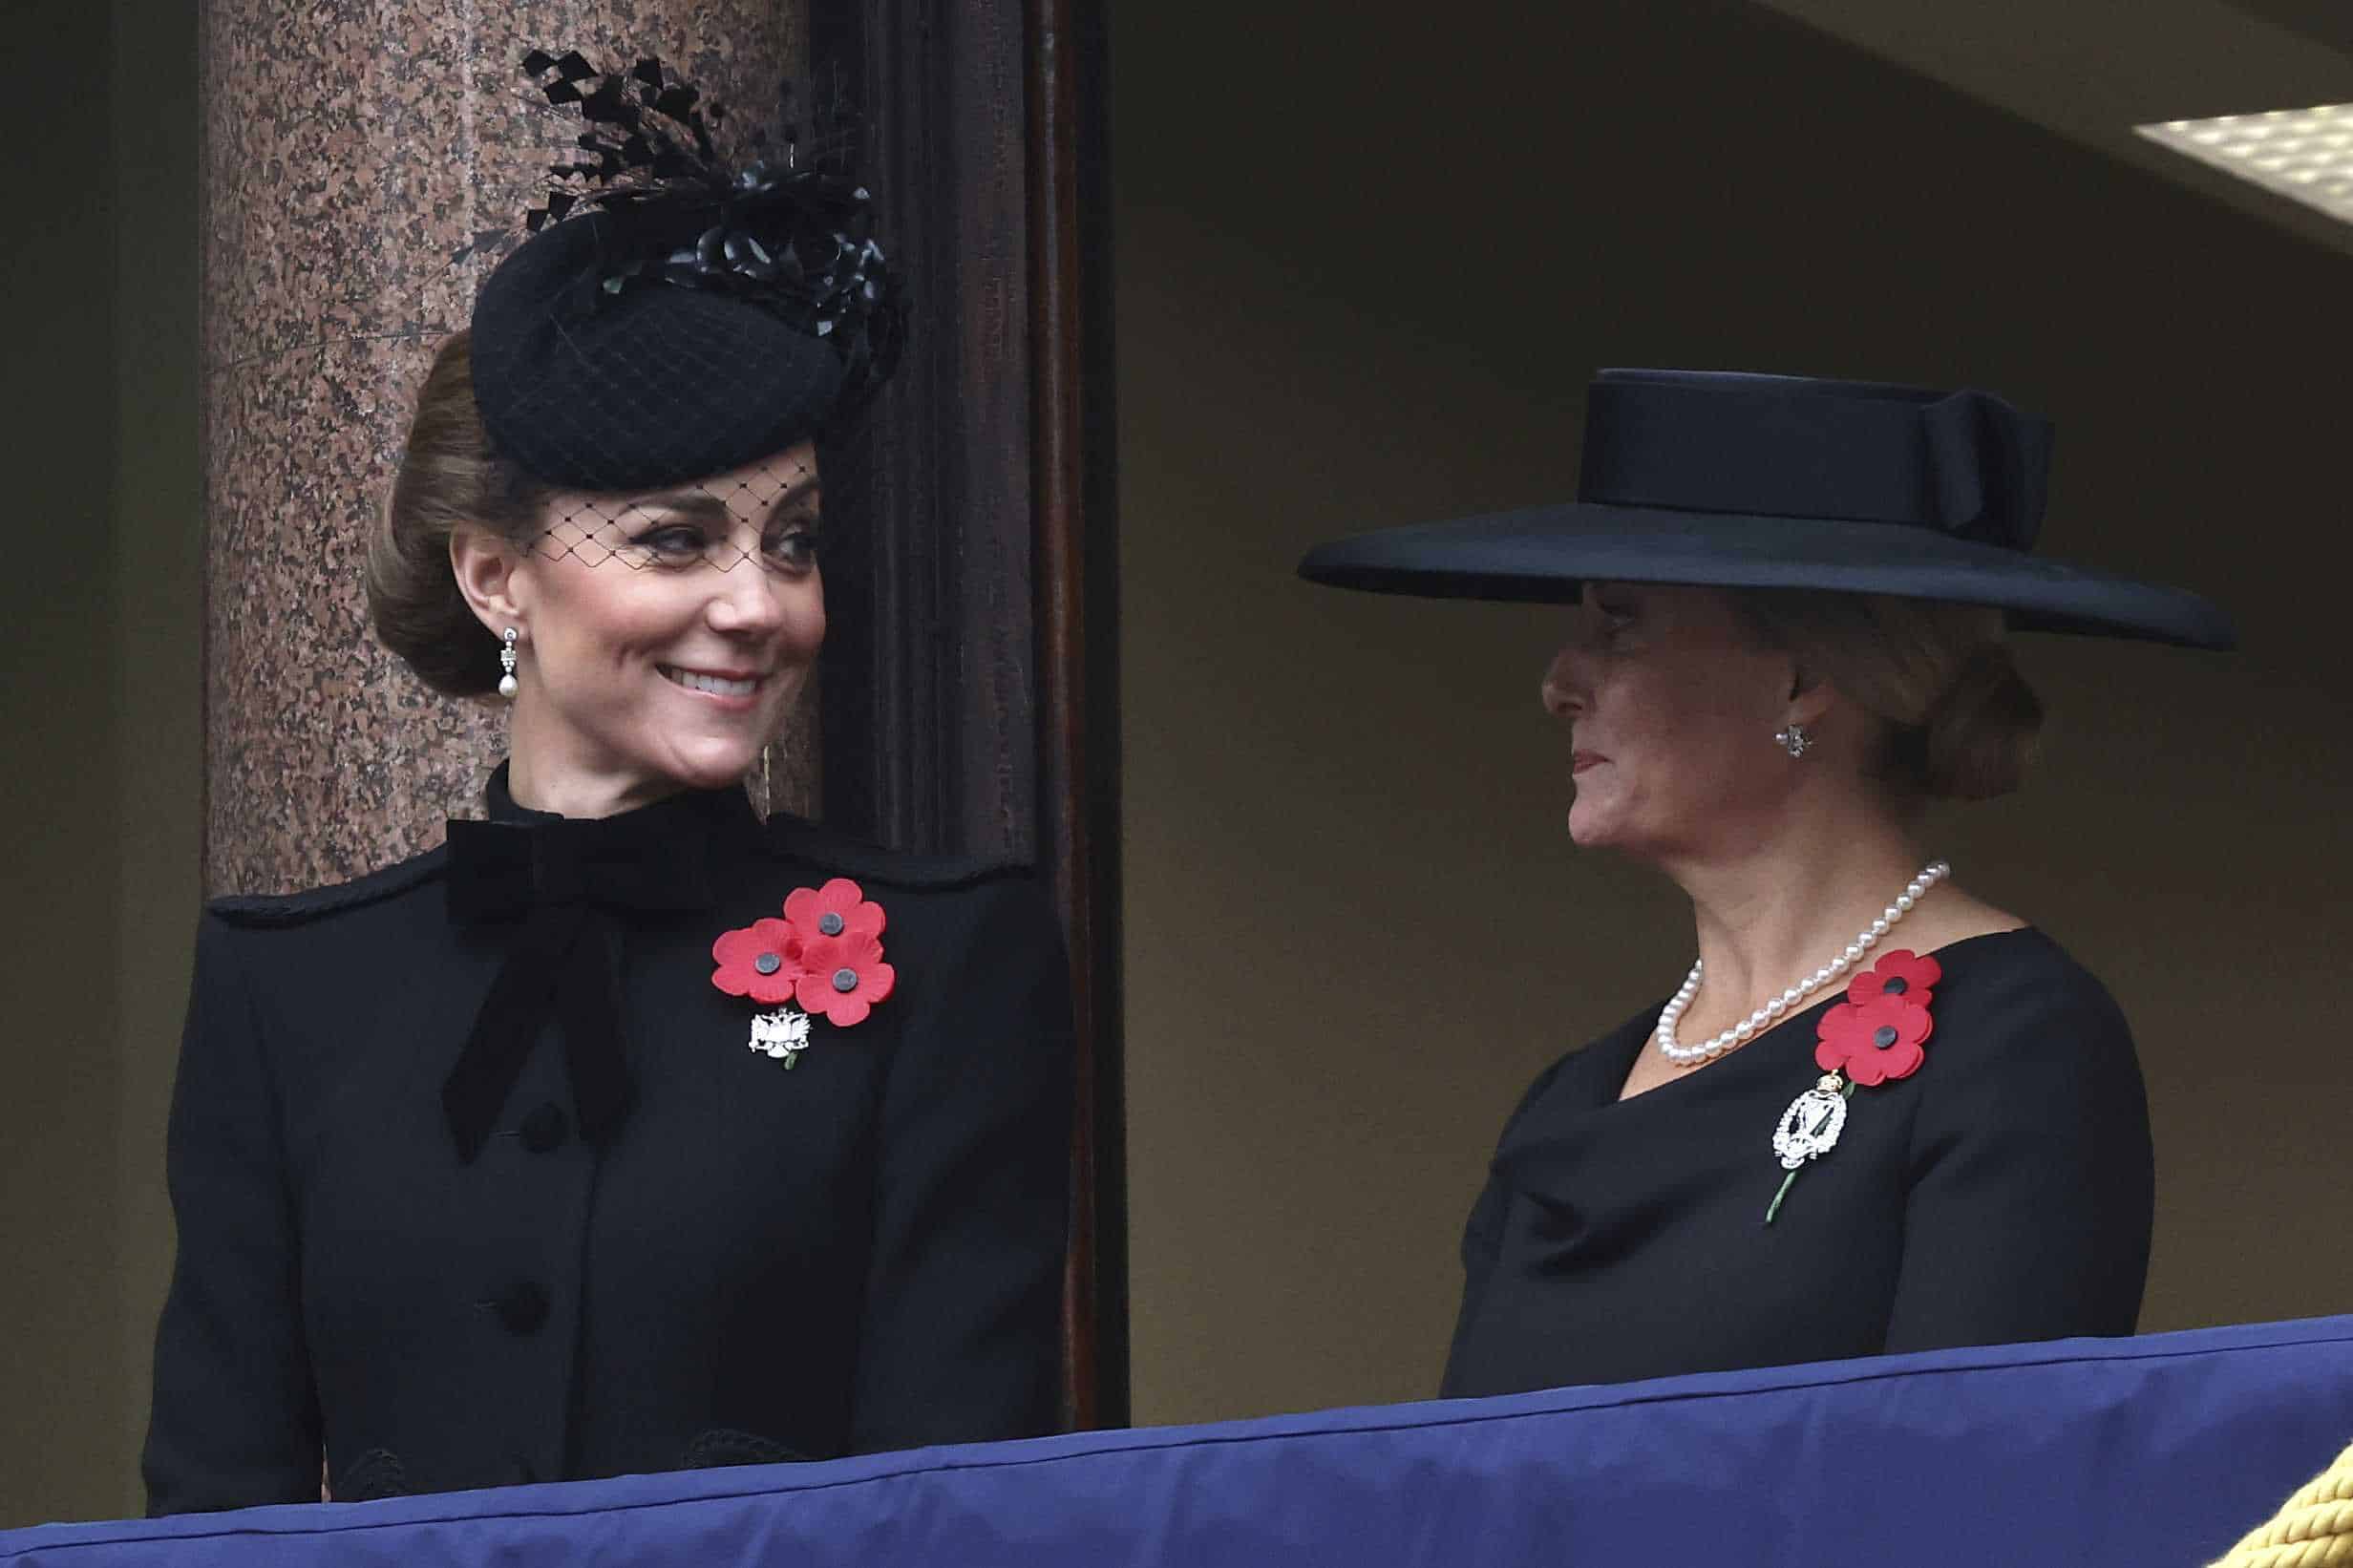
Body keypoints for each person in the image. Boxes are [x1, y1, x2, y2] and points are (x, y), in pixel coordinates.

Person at [142, 52, 1071, 1512]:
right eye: (674, 539)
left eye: (795, 540)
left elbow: (964, 1512)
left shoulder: (952, 963)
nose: (760, 604)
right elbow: (209, 1514)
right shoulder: (290, 990)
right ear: (496, 574)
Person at [1298, 369, 2234, 1398]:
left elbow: (1973, 1494)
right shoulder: (1568, 1099)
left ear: (1800, 677)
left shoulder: (2014, 1042)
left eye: (1618, 623)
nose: (1558, 683)